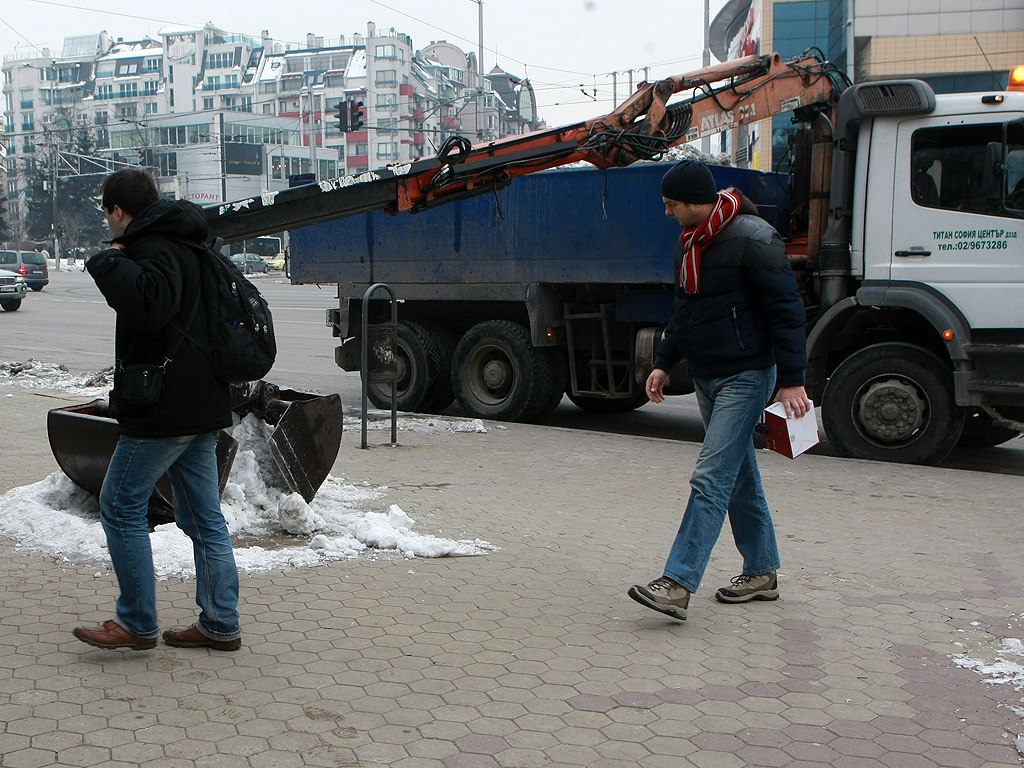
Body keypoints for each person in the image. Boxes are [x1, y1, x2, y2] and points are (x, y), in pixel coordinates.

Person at [628, 159, 813, 622]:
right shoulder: (688, 245)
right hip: (709, 375)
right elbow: (684, 311)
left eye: (672, 205)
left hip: (748, 375)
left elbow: (786, 312)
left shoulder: (753, 238)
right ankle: (762, 572)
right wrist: (664, 364)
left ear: (695, 202)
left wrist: (792, 380)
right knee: (739, 477)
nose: (667, 213)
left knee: (710, 477)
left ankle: (677, 582)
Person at [72, 169, 242, 651]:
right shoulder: (189, 242)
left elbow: (150, 304)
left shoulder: (154, 247)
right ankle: (220, 621)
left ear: (118, 211)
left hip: (164, 407)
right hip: (200, 400)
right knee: (203, 517)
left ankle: (136, 621)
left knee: (120, 504)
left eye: (108, 214)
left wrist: (107, 262)